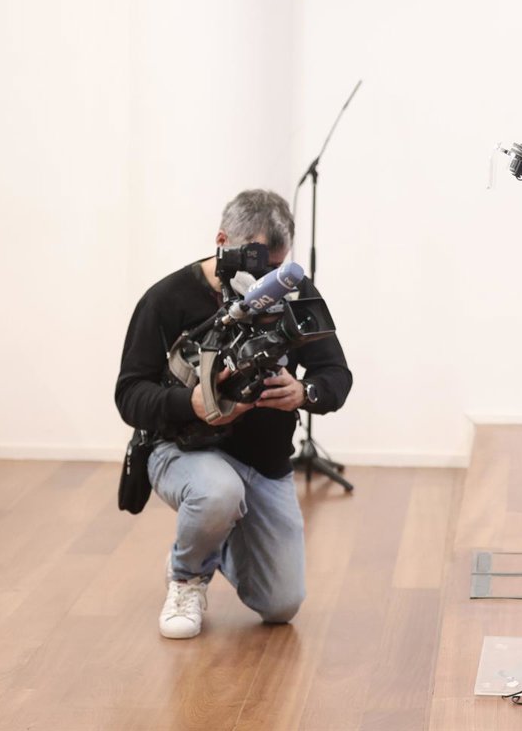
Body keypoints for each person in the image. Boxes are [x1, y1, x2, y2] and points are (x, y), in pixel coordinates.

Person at [115, 189, 352, 639]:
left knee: (281, 604)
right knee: (218, 493)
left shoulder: (294, 291)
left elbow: (336, 374)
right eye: (258, 266)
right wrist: (190, 404)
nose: (268, 281)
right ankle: (187, 575)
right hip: (182, 450)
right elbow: (129, 395)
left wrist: (304, 392)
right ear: (223, 241)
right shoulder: (167, 298)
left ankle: (210, 536)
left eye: (278, 267)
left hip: (264, 462)